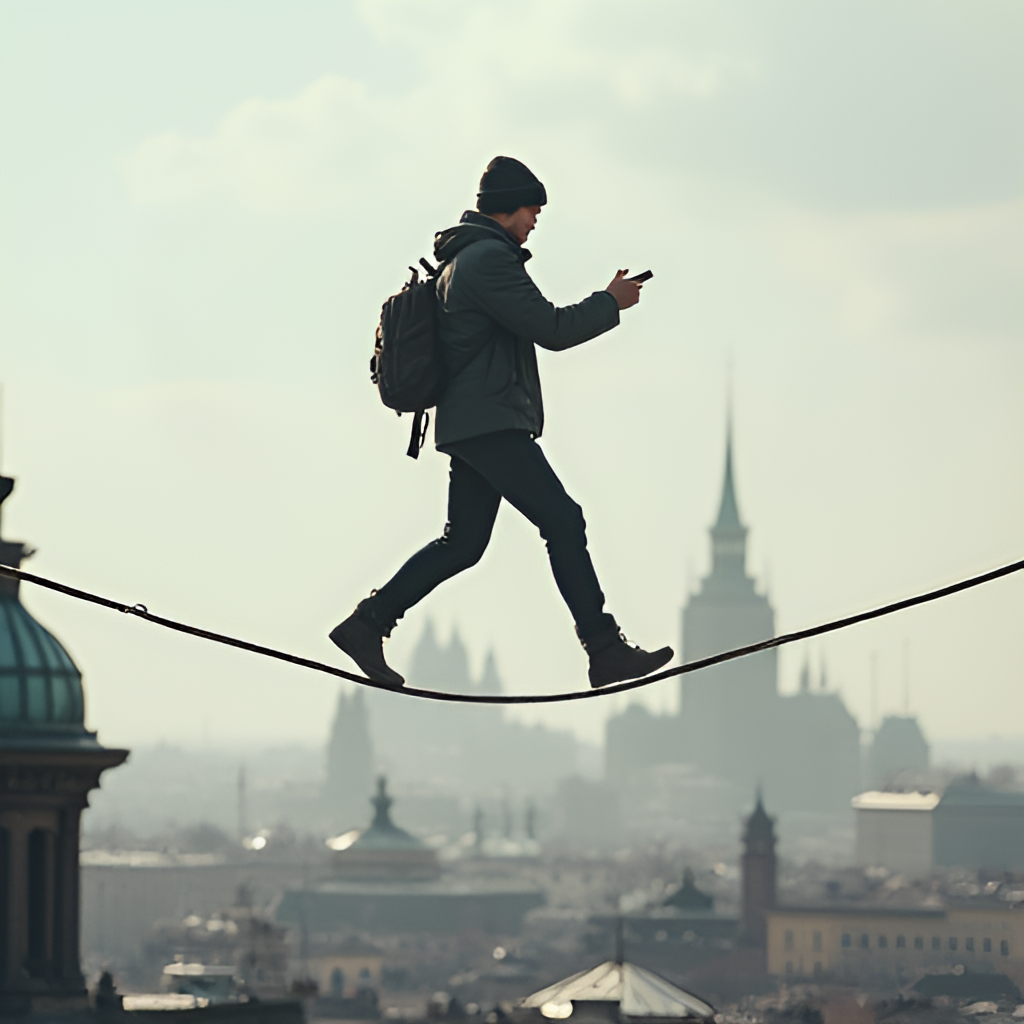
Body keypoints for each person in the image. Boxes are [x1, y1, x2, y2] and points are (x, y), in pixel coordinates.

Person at [330, 156, 672, 690]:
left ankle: (367, 623)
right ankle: (603, 649)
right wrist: (611, 302)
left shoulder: (464, 260)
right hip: (489, 423)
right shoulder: (488, 261)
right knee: (563, 520)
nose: (536, 217)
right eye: (532, 207)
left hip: (471, 424)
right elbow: (553, 328)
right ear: (508, 208)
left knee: (463, 544)